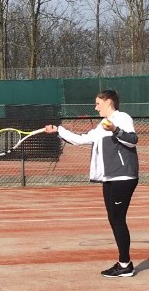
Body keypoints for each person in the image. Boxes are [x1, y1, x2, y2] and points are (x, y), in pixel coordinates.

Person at [45, 90, 139, 277]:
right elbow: (81, 139)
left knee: (118, 220)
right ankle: (124, 263)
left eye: (98, 103)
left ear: (108, 102)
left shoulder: (122, 118)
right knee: (114, 219)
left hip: (123, 177)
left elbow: (133, 140)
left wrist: (115, 130)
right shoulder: (101, 126)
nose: (96, 108)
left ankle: (125, 265)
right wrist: (58, 130)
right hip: (109, 177)